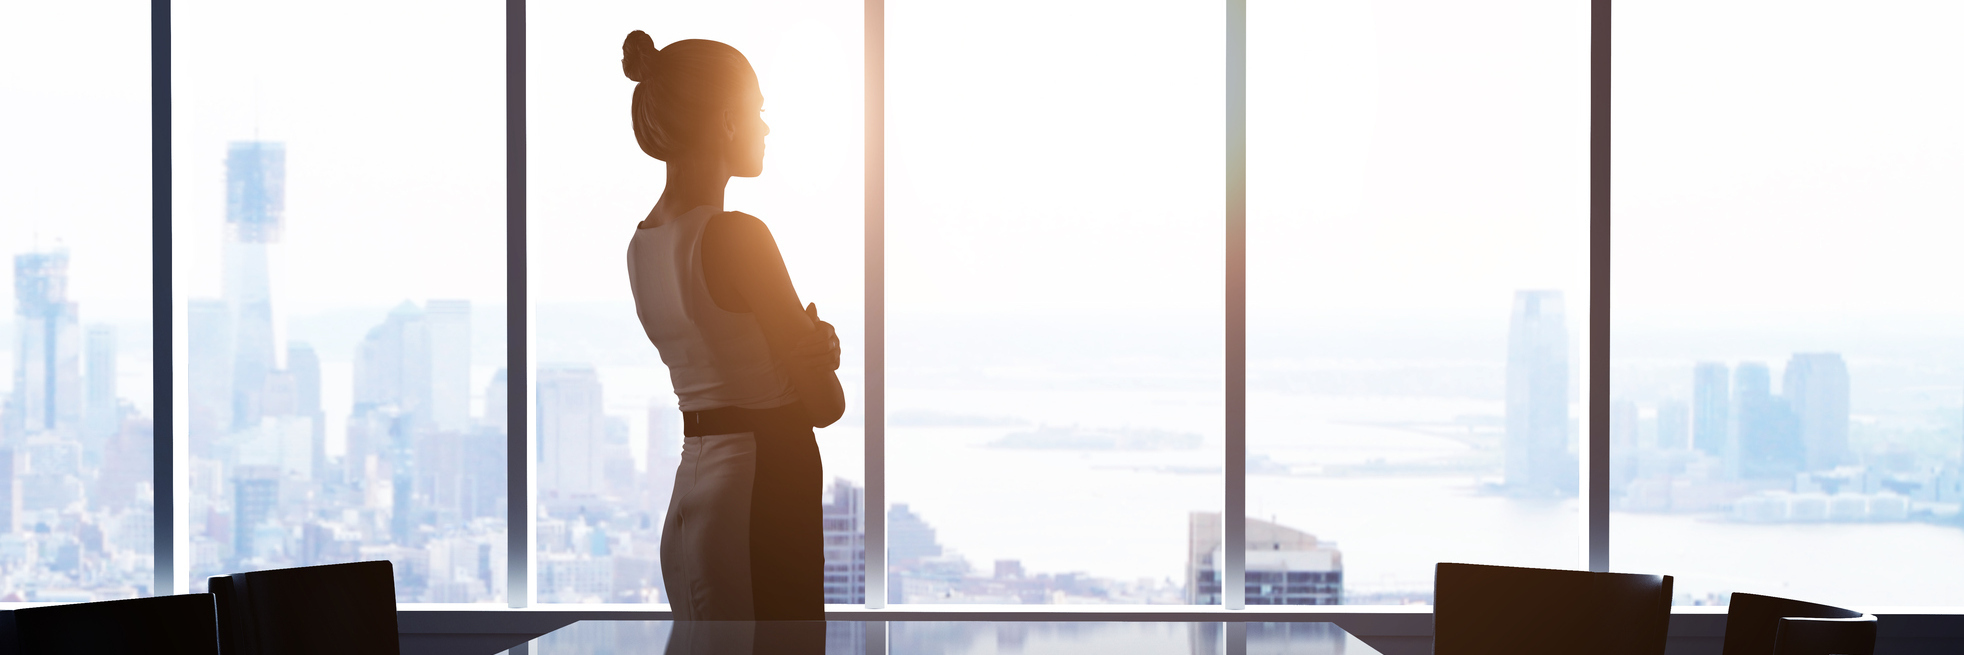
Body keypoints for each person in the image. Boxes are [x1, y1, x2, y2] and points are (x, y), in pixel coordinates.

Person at [620, 29, 845, 622]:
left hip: (697, 486)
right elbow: (824, 405)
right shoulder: (738, 236)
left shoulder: (641, 245)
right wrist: (821, 359)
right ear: (725, 122)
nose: (766, 128)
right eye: (758, 111)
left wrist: (805, 351)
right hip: (766, 486)